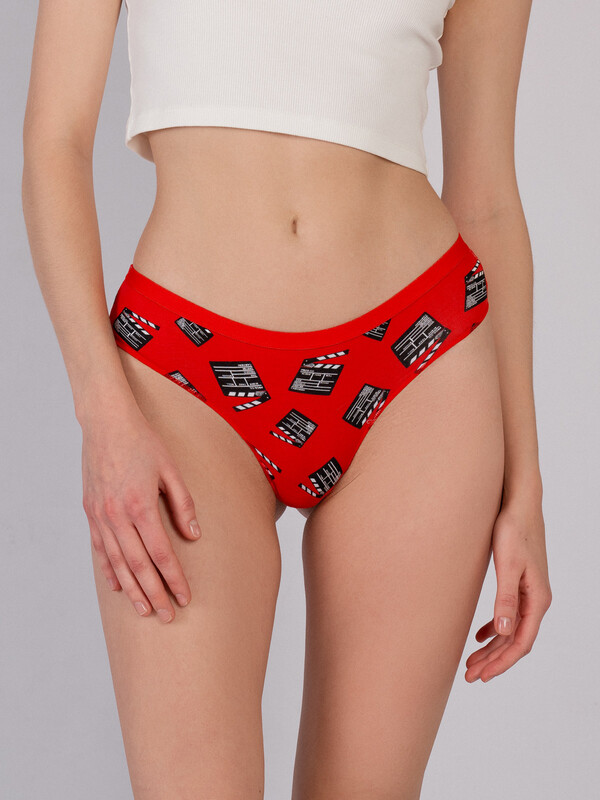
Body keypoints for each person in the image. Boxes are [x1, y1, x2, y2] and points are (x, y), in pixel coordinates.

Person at [21, 0, 552, 797]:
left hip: (417, 367)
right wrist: (102, 411)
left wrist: (526, 487)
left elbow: (487, 201)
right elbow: (53, 143)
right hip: (182, 375)